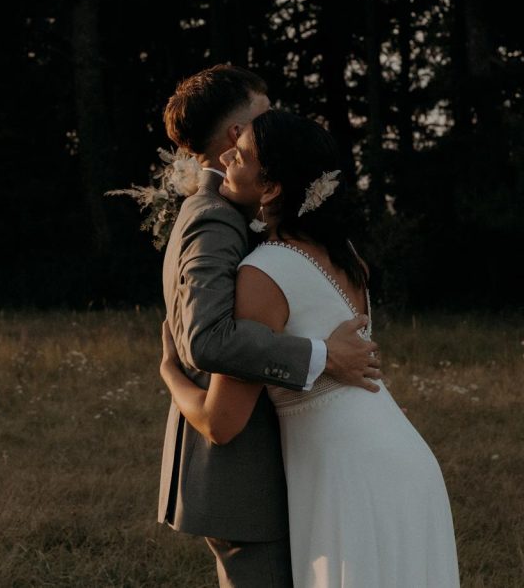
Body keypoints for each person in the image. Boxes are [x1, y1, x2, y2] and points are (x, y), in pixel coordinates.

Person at [160, 109, 460, 588]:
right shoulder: (345, 255)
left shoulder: (261, 274)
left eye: (240, 155)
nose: (225, 157)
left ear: (273, 188)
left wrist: (171, 373)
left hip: (345, 475)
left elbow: (221, 421)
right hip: (403, 456)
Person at [156, 65, 381, 588]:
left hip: (287, 461)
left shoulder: (253, 217)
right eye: (263, 114)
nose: (276, 121)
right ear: (237, 135)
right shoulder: (215, 216)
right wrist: (322, 355)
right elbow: (206, 338)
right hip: (245, 475)